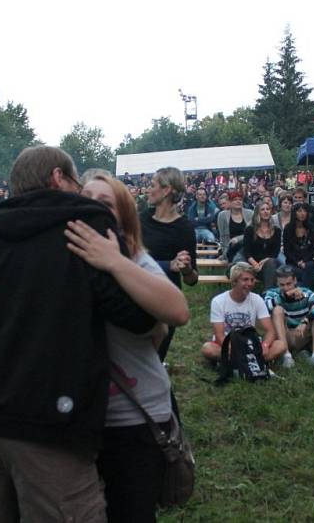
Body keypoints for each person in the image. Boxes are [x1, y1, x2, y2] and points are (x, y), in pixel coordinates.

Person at [0, 145, 156, 521]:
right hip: (51, 423)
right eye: (76, 182)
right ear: (57, 178)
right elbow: (136, 318)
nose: (81, 192)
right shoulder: (82, 227)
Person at [66, 174, 189, 523]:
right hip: (80, 412)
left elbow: (178, 311)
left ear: (122, 216)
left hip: (134, 415)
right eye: (85, 197)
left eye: (105, 202)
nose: (92, 205)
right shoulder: (62, 258)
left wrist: (114, 261)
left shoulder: (135, 258)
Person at [141, 166, 198, 362]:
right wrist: (168, 265)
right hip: (136, 295)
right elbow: (130, 260)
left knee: (153, 362)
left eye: (152, 185)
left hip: (165, 303)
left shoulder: (184, 229)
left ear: (166, 190)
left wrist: (187, 268)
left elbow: (192, 280)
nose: (148, 189)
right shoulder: (142, 219)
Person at [201, 262, 286, 363]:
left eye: (252, 280)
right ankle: (253, 362)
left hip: (250, 342)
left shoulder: (257, 299)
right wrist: (233, 349)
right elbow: (219, 335)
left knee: (281, 345)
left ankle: (236, 363)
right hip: (228, 343)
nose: (250, 284)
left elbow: (270, 331)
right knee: (207, 348)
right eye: (245, 280)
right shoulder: (218, 301)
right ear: (234, 282)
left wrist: (265, 345)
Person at [264, 265, 314, 369]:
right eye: (282, 284)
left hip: (302, 333)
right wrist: (285, 296)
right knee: (277, 310)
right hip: (284, 334)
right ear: (277, 283)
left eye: (288, 284)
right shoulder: (273, 293)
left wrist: (306, 321)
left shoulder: (305, 292)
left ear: (295, 281)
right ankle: (286, 355)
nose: (286, 288)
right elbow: (265, 306)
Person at [242, 201, 281, 289]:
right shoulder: (250, 229)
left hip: (270, 263)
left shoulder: (277, 230)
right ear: (257, 212)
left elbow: (276, 252)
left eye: (268, 209)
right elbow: (246, 251)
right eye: (262, 209)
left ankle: (268, 293)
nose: (266, 211)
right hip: (253, 265)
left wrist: (265, 261)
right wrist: (255, 264)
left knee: (271, 263)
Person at [282, 202, 314, 288]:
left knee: (310, 267)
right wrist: (298, 262)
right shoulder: (288, 228)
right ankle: (307, 293)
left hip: (307, 261)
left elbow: (313, 250)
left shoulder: (311, 228)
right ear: (294, 213)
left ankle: (303, 292)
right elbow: (287, 251)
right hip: (293, 262)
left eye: (304, 211)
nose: (302, 213)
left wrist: (304, 261)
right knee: (304, 273)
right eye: (299, 211)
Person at [217, 191, 253, 262]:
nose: (238, 201)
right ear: (230, 202)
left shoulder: (250, 214)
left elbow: (253, 233)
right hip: (230, 247)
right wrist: (224, 253)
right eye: (235, 199)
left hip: (247, 246)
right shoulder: (222, 215)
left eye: (240, 199)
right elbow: (223, 237)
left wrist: (238, 239)